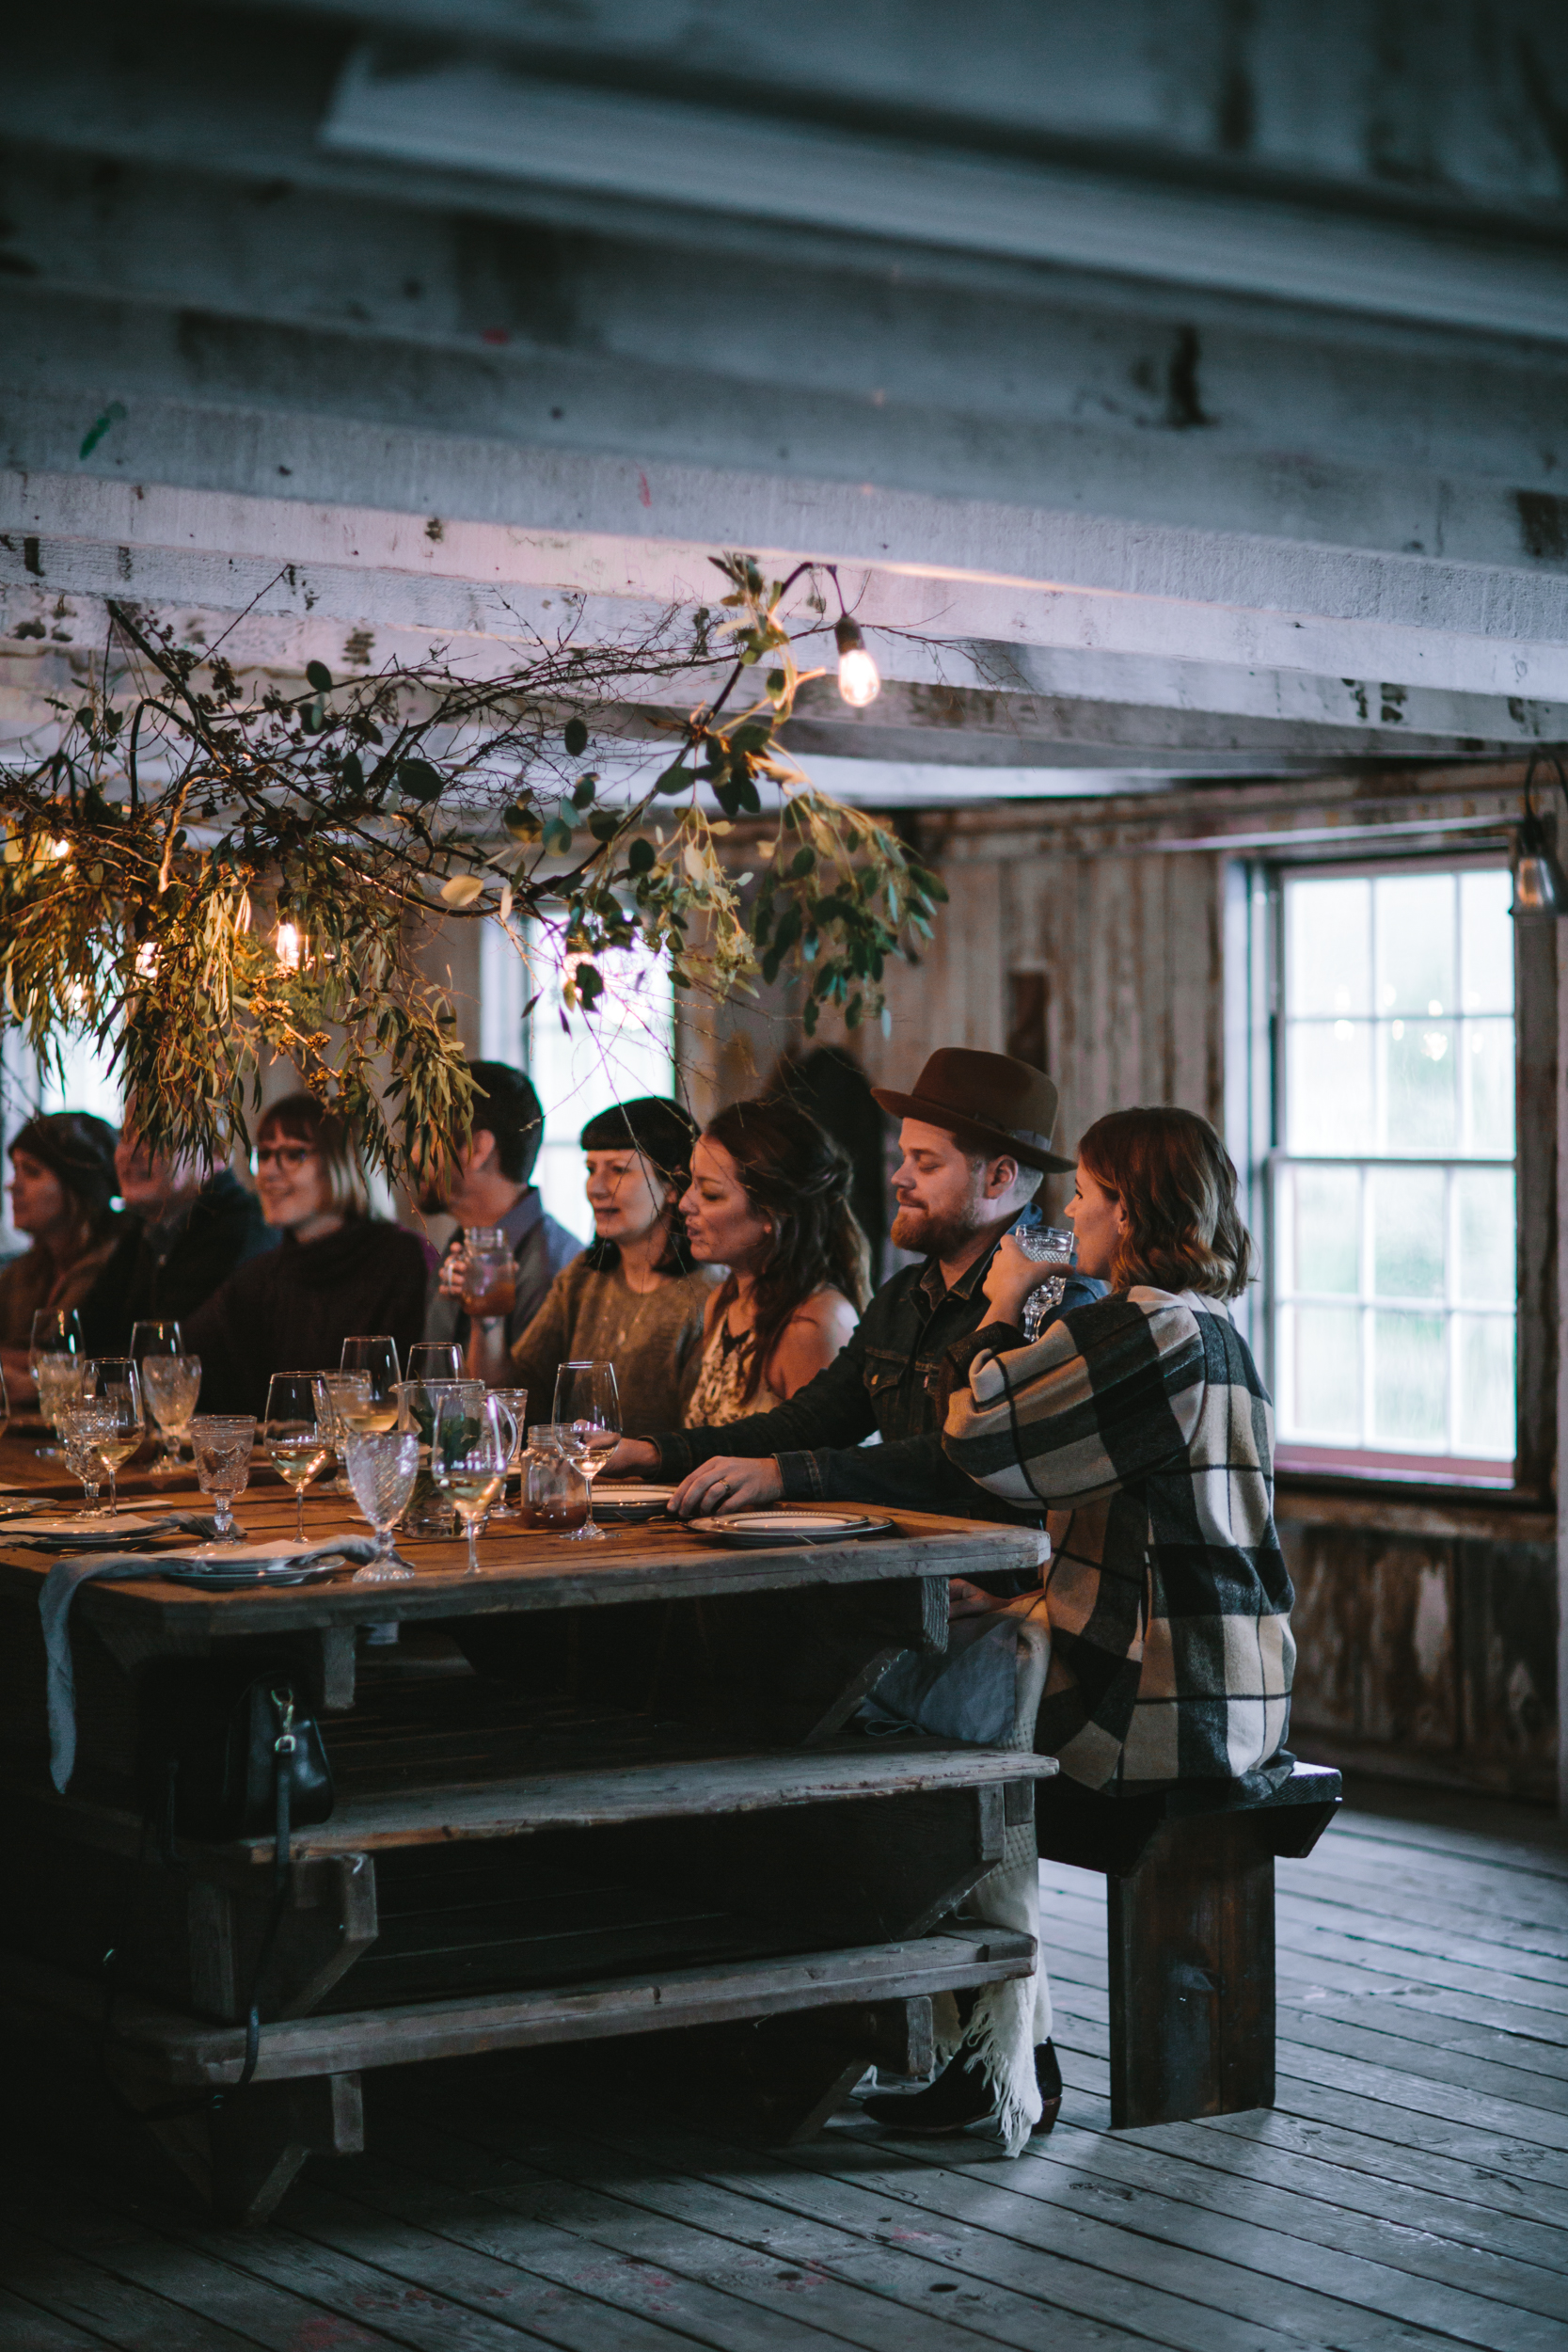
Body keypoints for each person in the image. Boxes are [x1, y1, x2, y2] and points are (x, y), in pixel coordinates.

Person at [861, 1105, 1292, 2149]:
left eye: (1088, 1199)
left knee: (922, 1724)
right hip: (1226, 1666)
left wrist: (1003, 1306)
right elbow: (1147, 1531)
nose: (1070, 1217)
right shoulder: (1208, 1329)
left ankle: (1005, 2055)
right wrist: (1021, 1598)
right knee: (960, 1682)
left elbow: (978, 1435)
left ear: (1133, 1212)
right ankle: (1000, 2047)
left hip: (1168, 1694)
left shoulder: (1139, 1329)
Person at [614, 1050, 1104, 1542]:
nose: (899, 1176)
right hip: (905, 1572)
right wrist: (655, 1452)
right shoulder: (905, 1296)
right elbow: (813, 1419)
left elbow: (962, 1458)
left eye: (926, 1163)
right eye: (904, 1155)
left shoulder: (1058, 1301)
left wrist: (784, 1475)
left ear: (999, 1177)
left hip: (993, 1589)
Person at [185, 1093, 428, 1415]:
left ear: (343, 1161)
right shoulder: (262, 1277)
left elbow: (413, 1397)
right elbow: (183, 1359)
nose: (269, 1173)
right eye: (266, 1155)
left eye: (293, 1154)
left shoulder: (401, 1259)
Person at [507, 1097, 714, 1437]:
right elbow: (520, 1394)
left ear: (674, 1185)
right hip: (581, 1479)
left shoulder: (706, 1295)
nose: (596, 1188)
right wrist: (485, 1319)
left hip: (665, 1487)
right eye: (591, 1170)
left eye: (618, 1170)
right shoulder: (583, 1278)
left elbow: (701, 1434)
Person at [681, 1097, 865, 1425]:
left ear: (773, 1212)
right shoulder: (722, 1304)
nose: (685, 1204)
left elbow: (824, 1468)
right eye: (691, 1185)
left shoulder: (812, 1325)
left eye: (709, 1193)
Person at [422, 1060, 579, 1375]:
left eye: (428, 1137)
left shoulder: (552, 1269)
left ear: (477, 1149)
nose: (414, 1155)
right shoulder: (460, 1245)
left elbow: (523, 1409)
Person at [81, 1110, 274, 1353]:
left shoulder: (240, 1230)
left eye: (156, 1137)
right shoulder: (146, 1229)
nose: (132, 1152)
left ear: (215, 1153)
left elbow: (172, 1356)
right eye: (126, 1136)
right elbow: (87, 1335)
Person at [0, 1113, 123, 1390]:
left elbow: (85, 1363)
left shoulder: (116, 1265)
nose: (13, 1185)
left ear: (77, 1186)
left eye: (31, 1172)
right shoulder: (23, 1271)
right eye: (15, 1170)